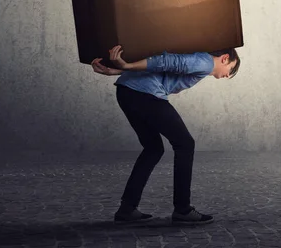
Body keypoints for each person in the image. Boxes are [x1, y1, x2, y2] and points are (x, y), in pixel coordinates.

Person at [91, 44, 241, 226]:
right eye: (230, 70)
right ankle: (183, 210)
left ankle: (127, 209)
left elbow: (162, 70)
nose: (227, 75)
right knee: (185, 144)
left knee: (153, 149)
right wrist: (126, 66)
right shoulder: (206, 62)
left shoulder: (200, 62)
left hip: (127, 91)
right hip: (145, 95)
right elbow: (167, 61)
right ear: (225, 58)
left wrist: (118, 71)